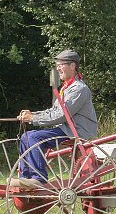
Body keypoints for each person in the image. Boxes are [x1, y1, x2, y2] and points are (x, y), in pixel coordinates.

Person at [12, 49, 98, 188]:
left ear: (73, 66)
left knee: (34, 138)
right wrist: (33, 115)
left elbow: (61, 115)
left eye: (61, 64)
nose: (58, 68)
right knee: (26, 137)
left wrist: (33, 118)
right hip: (67, 129)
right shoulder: (67, 87)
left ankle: (38, 179)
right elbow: (54, 111)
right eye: (57, 65)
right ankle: (25, 178)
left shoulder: (79, 89)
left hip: (77, 132)